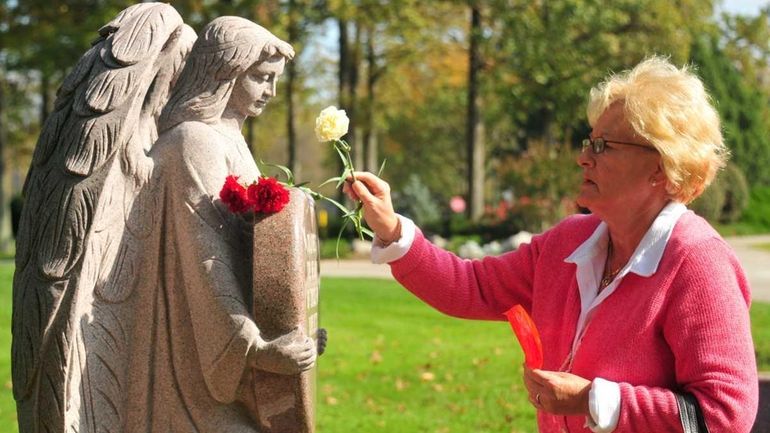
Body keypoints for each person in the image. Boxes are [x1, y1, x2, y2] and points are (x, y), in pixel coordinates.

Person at [344, 57, 758, 432]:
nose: (584, 157)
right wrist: (394, 229)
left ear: (661, 167)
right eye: (588, 141)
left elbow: (724, 414)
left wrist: (592, 400)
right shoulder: (568, 242)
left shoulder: (698, 261)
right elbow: (473, 287)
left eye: (603, 146)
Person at [123, 17, 316, 432]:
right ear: (225, 72)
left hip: (216, 349)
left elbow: (250, 246)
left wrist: (295, 322)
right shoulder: (194, 142)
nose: (272, 91)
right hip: (191, 350)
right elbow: (205, 259)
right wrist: (255, 348)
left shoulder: (228, 138)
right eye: (262, 78)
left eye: (275, 79)